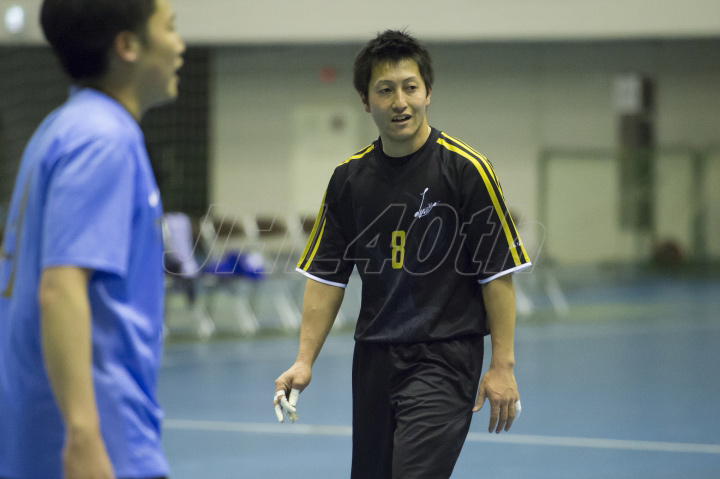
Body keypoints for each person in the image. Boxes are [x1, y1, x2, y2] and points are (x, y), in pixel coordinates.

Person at [274, 30, 531, 478]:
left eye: (410, 87)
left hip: (445, 357)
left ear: (428, 92)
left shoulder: (467, 170)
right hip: (374, 359)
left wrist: (502, 365)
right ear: (365, 100)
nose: (400, 102)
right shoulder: (348, 180)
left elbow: (496, 273)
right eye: (385, 90)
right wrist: (304, 360)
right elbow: (327, 277)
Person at [0, 0, 184, 478]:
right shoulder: (104, 140)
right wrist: (83, 436)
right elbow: (60, 288)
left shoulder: (63, 128)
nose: (180, 45)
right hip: (100, 444)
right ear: (127, 46)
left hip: (41, 441)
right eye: (170, 28)